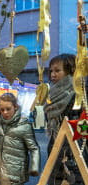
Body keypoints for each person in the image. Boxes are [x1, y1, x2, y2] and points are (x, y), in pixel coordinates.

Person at [43, 53, 86, 185]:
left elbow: (83, 127)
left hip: (75, 153)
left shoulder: (79, 94)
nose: (53, 75)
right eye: (51, 71)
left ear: (70, 71)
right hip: (55, 149)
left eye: (57, 71)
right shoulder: (51, 94)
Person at [0, 92, 40, 185]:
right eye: (2, 110)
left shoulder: (24, 125)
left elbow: (34, 148)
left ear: (15, 107)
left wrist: (34, 167)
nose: (5, 112)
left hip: (15, 174)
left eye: (8, 109)